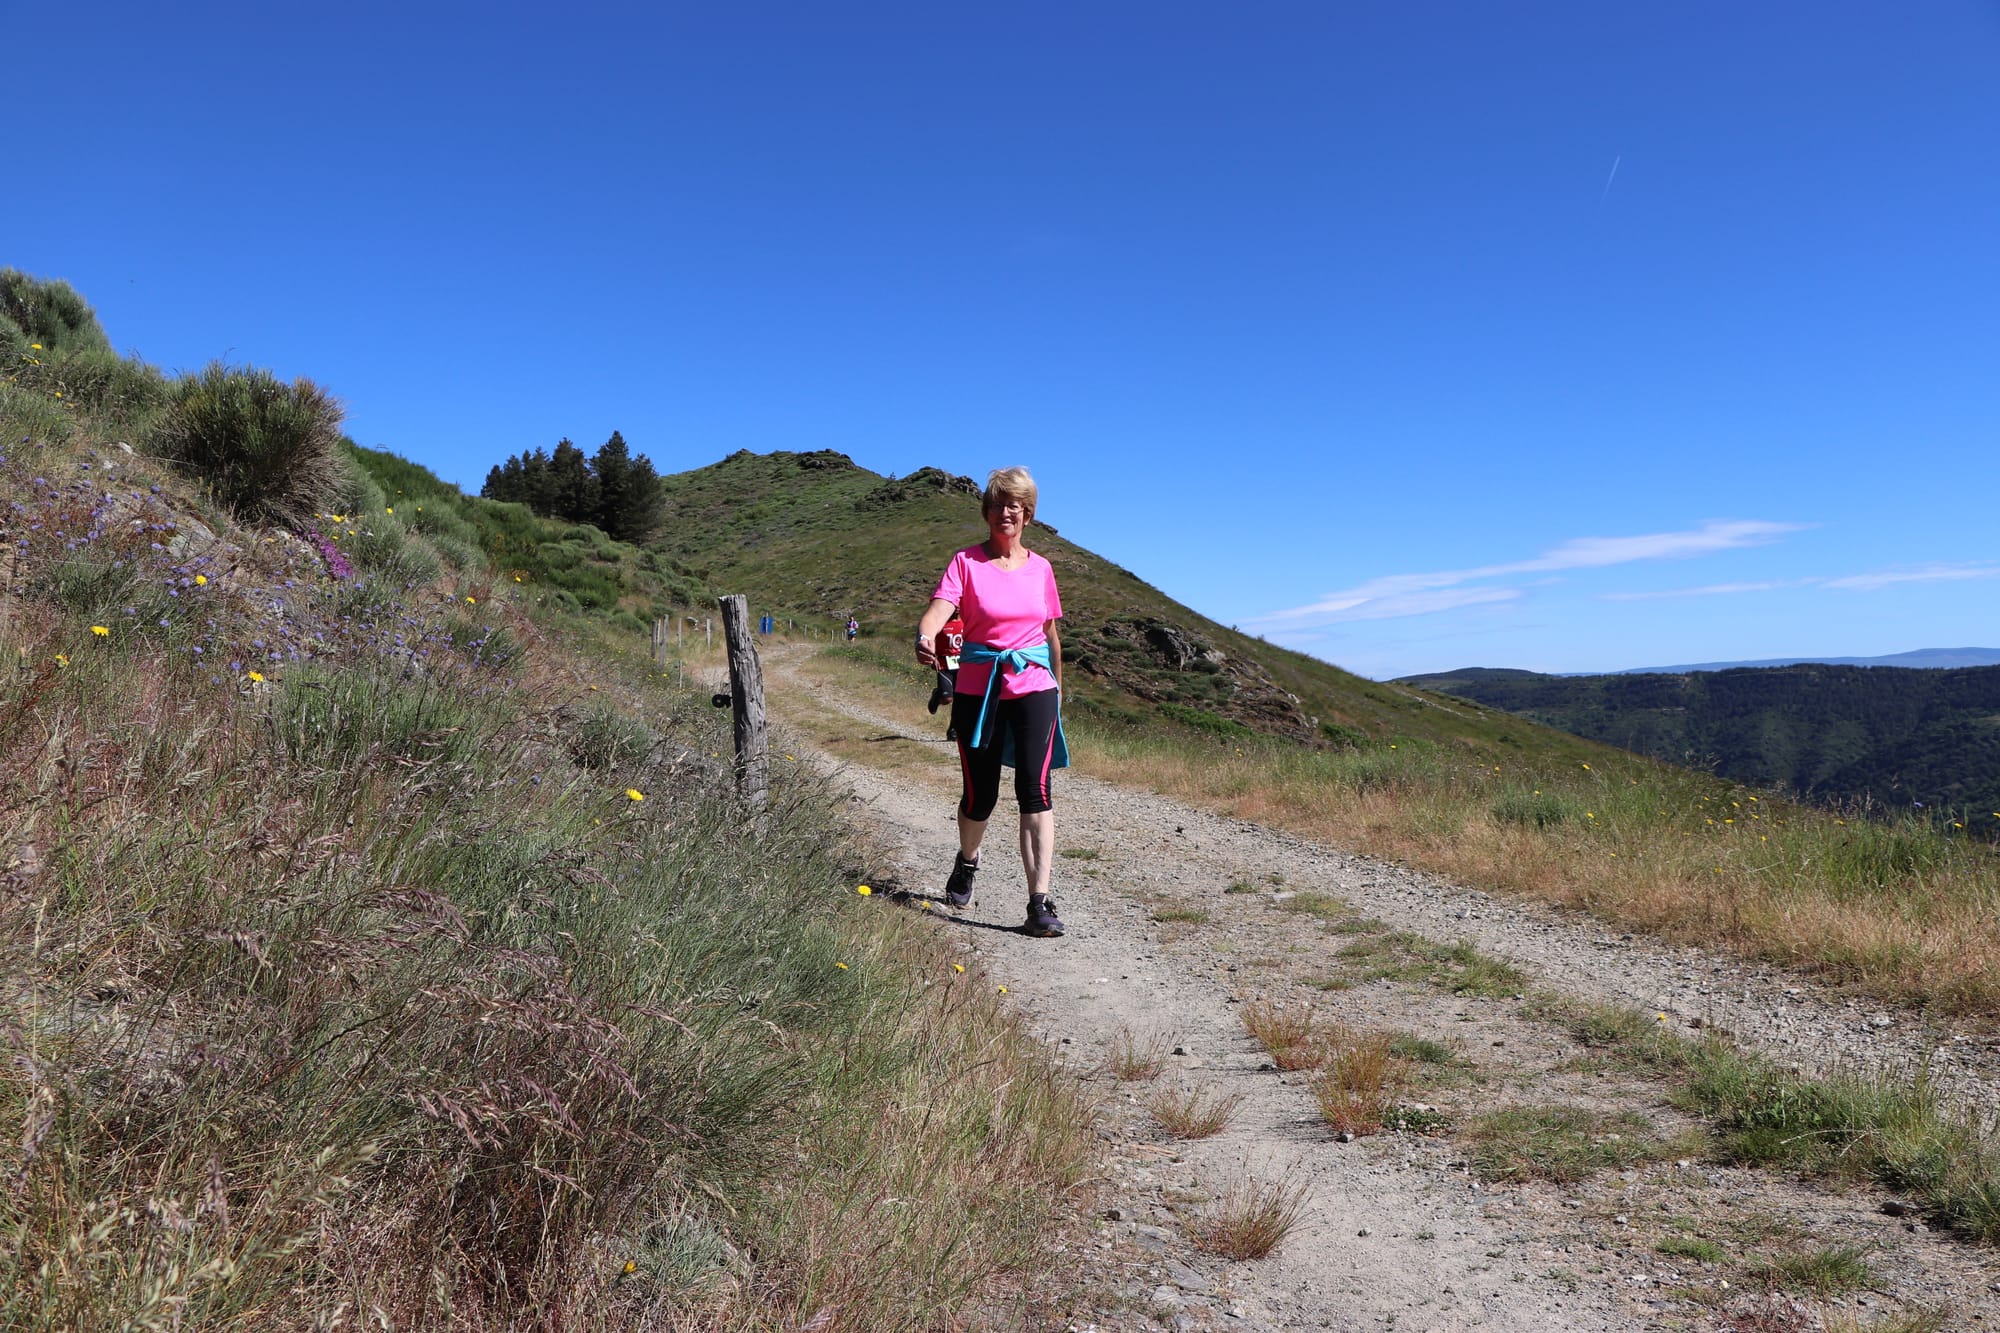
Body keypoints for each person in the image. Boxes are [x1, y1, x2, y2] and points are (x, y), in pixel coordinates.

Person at [915, 466, 1068, 938]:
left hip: (1033, 685)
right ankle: (967, 860)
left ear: (1028, 514)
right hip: (978, 690)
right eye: (1001, 504)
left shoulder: (1042, 568)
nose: (1008, 512)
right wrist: (926, 633)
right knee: (981, 797)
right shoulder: (965, 563)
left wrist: (1058, 691)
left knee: (1035, 791)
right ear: (987, 511)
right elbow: (939, 611)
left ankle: (1039, 901)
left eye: (1017, 505)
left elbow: (1050, 635)